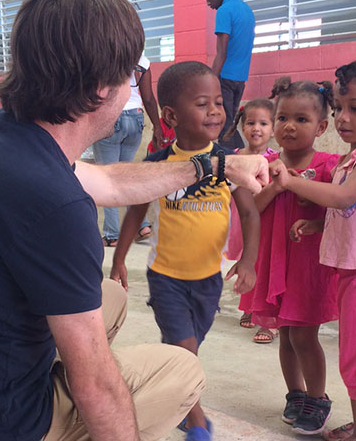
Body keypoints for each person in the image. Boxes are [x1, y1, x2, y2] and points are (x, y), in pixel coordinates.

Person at [0, 0, 269, 441]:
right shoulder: (56, 205)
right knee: (182, 369)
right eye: (132, 75)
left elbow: (109, 183)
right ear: (103, 87)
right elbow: (97, 389)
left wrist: (213, 165)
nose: (132, 88)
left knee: (112, 297)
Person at [110, 61, 261, 441]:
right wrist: (118, 261)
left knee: (186, 348)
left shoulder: (229, 163)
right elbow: (135, 213)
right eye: (202, 103)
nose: (214, 111)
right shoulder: (158, 165)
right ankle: (197, 423)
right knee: (183, 348)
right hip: (166, 278)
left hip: (208, 279)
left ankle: (177, 396)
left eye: (217, 103)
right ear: (171, 116)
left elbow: (249, 213)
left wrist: (248, 261)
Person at [271, 54, 356, 441]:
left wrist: (290, 182)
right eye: (338, 108)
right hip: (354, 274)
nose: (342, 118)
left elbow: (342, 197)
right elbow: (350, 210)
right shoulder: (353, 158)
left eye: (355, 108)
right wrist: (317, 225)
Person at [245, 78, 340, 435]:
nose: (289, 126)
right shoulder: (263, 163)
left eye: (301, 119)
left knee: (304, 336)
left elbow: (336, 209)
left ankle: (318, 398)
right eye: (282, 117)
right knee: (285, 335)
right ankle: (295, 394)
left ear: (321, 127)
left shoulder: (329, 165)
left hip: (307, 266)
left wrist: (299, 187)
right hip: (274, 263)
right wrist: (275, 182)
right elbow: (250, 208)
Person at [222, 99, 279, 343]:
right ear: (242, 127)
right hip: (239, 218)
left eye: (263, 123)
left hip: (265, 221)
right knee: (247, 261)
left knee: (263, 263)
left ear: (273, 129)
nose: (257, 128)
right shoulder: (232, 157)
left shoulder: (276, 159)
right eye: (251, 123)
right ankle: (249, 304)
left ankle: (269, 320)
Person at [93, 54, 163, 246]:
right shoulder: (142, 60)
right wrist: (157, 127)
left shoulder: (102, 53)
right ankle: (142, 226)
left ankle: (112, 234)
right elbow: (148, 98)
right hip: (136, 118)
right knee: (128, 175)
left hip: (111, 119)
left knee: (108, 178)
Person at [203, 0, 255, 150]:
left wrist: (209, 82)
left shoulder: (224, 10)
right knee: (229, 125)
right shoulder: (246, 10)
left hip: (225, 78)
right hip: (240, 79)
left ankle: (231, 167)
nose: (208, 2)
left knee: (223, 128)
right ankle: (242, 157)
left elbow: (221, 53)